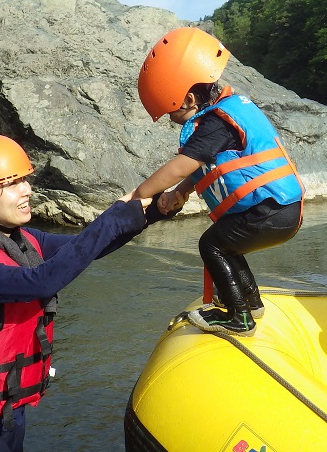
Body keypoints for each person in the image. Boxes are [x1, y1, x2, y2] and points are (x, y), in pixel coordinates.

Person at [0, 133, 174, 452]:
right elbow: (41, 283)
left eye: (24, 179)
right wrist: (118, 213)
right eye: (11, 184)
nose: (26, 190)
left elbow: (87, 247)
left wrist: (152, 214)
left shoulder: (23, 242)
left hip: (8, 417)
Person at [123, 26, 304, 337]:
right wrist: (178, 195)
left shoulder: (217, 123)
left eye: (171, 112)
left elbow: (183, 166)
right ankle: (252, 303)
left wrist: (138, 196)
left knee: (211, 244)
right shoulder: (224, 114)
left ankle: (239, 319)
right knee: (227, 243)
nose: (170, 119)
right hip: (283, 209)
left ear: (190, 99)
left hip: (270, 211)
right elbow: (204, 171)